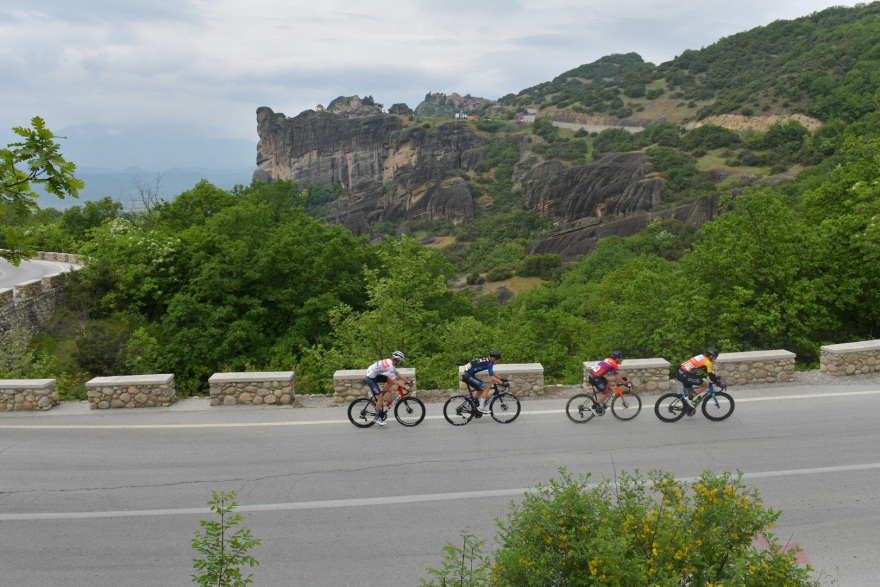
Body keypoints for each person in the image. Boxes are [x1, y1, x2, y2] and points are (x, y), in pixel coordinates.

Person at [364, 351, 411, 426]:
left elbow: (397, 374)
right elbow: (394, 380)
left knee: (390, 382)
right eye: (400, 361)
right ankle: (376, 418)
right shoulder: (390, 365)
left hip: (374, 375)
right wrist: (404, 386)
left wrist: (406, 380)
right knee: (381, 398)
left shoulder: (391, 363)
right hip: (370, 378)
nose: (400, 362)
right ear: (397, 360)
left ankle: (378, 393)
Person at [677, 348, 727, 414]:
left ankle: (689, 406)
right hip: (686, 375)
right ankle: (690, 398)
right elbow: (710, 375)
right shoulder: (708, 362)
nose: (715, 359)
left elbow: (705, 369)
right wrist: (719, 383)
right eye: (715, 357)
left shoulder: (701, 357)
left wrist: (714, 377)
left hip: (681, 372)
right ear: (711, 356)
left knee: (690, 388)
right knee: (705, 384)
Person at [587, 351, 633, 415]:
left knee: (609, 385)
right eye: (621, 359)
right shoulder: (614, 364)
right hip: (595, 377)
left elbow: (613, 372)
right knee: (606, 394)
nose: (622, 360)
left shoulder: (609, 359)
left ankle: (603, 401)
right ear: (617, 359)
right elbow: (617, 377)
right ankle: (593, 407)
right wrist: (626, 383)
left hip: (594, 375)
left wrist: (621, 378)